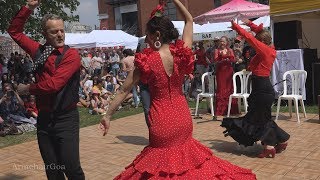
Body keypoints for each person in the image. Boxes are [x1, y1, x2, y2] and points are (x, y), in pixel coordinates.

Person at [99, 0, 256, 179]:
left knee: (160, 169)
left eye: (148, 36)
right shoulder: (181, 54)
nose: (147, 41)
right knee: (186, 166)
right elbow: (189, 20)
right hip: (182, 118)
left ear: (157, 35)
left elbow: (123, 91)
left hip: (161, 121)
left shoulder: (146, 61)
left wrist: (108, 115)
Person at [7, 0, 85, 179]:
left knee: (71, 168)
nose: (60, 35)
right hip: (44, 119)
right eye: (54, 31)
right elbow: (14, 32)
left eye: (62, 30)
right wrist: (29, 8)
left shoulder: (71, 55)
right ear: (45, 34)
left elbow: (54, 85)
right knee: (52, 169)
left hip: (66, 119)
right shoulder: (40, 51)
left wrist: (28, 88)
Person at [221, 19, 290, 158]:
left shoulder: (265, 50)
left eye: (259, 42)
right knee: (263, 119)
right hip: (261, 89)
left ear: (262, 42)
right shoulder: (269, 49)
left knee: (259, 120)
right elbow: (259, 34)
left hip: (262, 89)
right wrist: (251, 25)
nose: (255, 46)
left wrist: (237, 27)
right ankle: (280, 141)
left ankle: (269, 146)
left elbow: (249, 38)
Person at [213, 36, 239, 117]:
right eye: (221, 41)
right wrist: (222, 60)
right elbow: (215, 60)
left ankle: (231, 109)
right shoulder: (216, 50)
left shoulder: (230, 50)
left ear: (227, 42)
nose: (222, 43)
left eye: (223, 41)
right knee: (221, 88)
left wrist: (230, 59)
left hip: (229, 71)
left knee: (229, 88)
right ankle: (221, 110)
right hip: (220, 71)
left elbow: (234, 60)